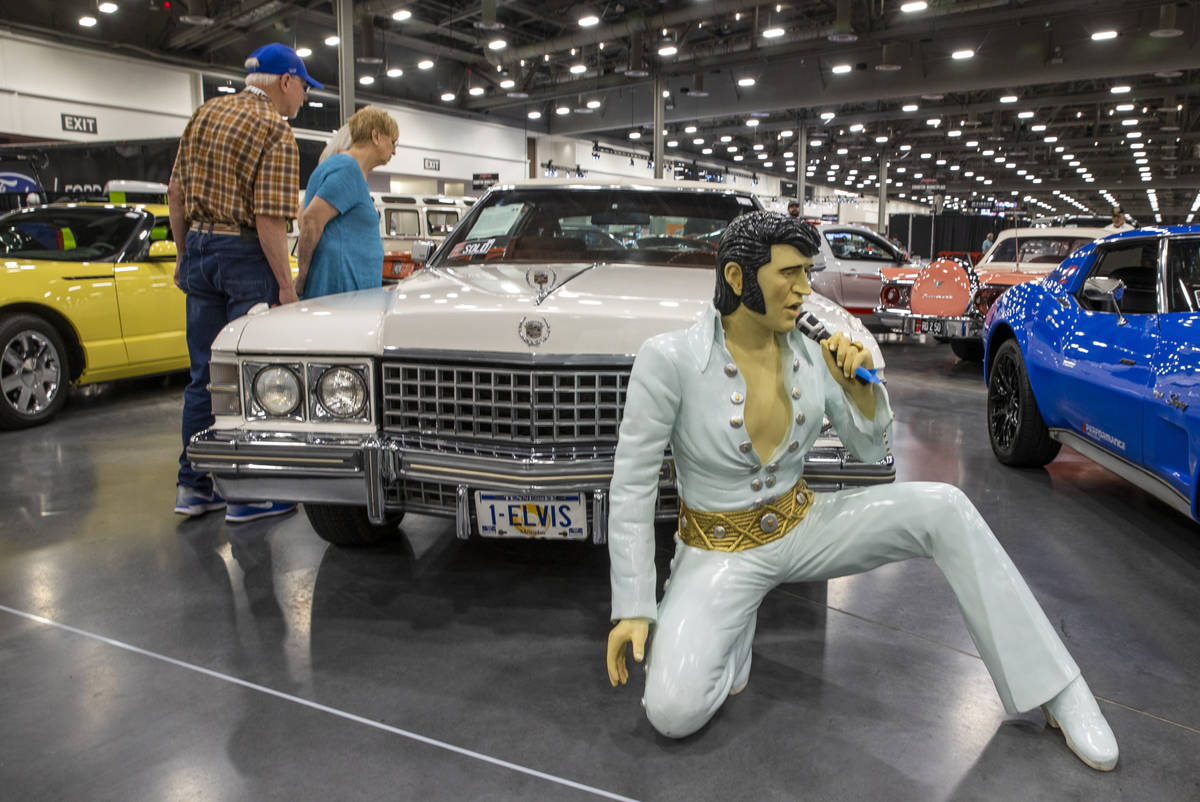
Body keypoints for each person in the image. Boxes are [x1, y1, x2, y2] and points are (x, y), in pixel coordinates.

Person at [604, 211, 1119, 772]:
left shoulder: (811, 348)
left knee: (945, 508)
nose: (806, 288)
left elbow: (874, 454)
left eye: (808, 271)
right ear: (735, 278)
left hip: (805, 524)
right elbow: (630, 486)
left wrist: (861, 392)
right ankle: (730, 630)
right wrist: (635, 606)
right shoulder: (670, 359)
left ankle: (1059, 689)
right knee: (672, 713)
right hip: (716, 550)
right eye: (790, 273)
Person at [169, 42, 321, 523]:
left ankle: (193, 488)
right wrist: (287, 285)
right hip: (244, 256)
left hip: (200, 248)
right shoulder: (275, 130)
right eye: (303, 88)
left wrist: (182, 253)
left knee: (203, 375)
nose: (304, 100)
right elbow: (269, 219)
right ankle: (250, 494)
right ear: (285, 81)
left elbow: (174, 193)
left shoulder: (204, 114)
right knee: (251, 376)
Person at [295, 106, 398, 299]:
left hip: (346, 292)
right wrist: (302, 277)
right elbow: (311, 219)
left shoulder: (338, 166)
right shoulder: (348, 169)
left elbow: (303, 217)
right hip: (341, 293)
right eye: (393, 142)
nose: (394, 151)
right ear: (375, 136)